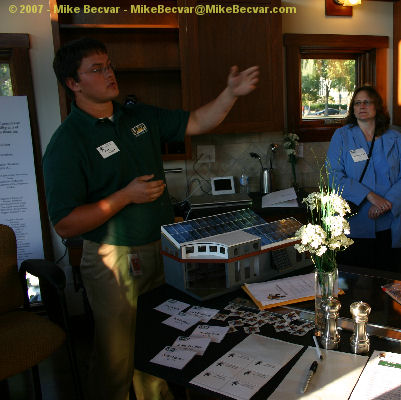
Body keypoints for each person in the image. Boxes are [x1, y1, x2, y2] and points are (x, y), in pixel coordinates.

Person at [42, 37, 259, 400]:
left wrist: (230, 93)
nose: (109, 73)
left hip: (162, 250)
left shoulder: (138, 116)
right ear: (73, 83)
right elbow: (65, 223)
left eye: (109, 65)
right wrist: (125, 196)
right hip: (115, 259)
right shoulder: (67, 142)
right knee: (116, 360)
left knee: (158, 350)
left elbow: (197, 120)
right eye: (97, 69)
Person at [326, 86, 401, 271]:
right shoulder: (342, 136)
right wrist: (370, 196)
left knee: (388, 280)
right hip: (354, 223)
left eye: (367, 102)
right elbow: (333, 176)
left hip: (390, 223)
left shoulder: (397, 139)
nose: (362, 106)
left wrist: (386, 203)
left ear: (377, 106)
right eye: (357, 103)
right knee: (354, 283)